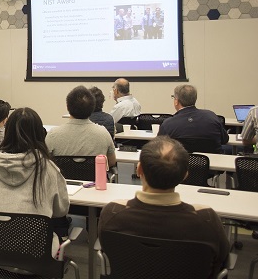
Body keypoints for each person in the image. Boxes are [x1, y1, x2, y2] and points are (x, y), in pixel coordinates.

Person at [98, 137, 229, 279]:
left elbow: (107, 249)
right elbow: (221, 260)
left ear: (139, 169)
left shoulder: (112, 213)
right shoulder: (207, 220)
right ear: (185, 175)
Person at [0, 107, 70, 257]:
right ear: (39, 133)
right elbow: (61, 210)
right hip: (36, 255)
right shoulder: (47, 167)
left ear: (7, 132)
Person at [46, 86, 116, 167]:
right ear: (92, 107)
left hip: (61, 175)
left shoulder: (53, 134)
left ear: (67, 106)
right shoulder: (103, 133)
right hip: (94, 175)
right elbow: (111, 162)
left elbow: (46, 162)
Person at [158, 85, 228, 154]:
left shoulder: (168, 124)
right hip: (212, 160)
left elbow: (159, 146)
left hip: (180, 161)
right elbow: (224, 140)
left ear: (176, 101)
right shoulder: (211, 117)